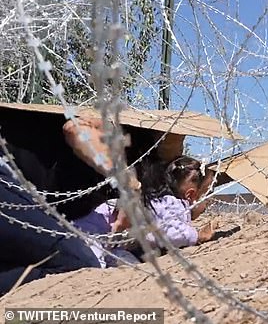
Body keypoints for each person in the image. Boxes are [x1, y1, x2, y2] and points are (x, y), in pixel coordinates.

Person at [0, 112, 154, 295]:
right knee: (78, 265)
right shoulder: (120, 129)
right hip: (6, 180)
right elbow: (75, 130)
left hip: (15, 196)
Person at [74, 156, 218, 267]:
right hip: (97, 233)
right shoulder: (171, 204)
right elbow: (170, 231)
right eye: (206, 198)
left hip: (108, 237)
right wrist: (197, 235)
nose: (209, 203)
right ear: (191, 195)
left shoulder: (161, 201)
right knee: (102, 260)